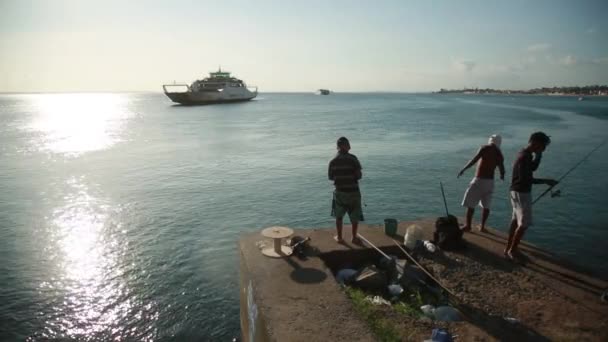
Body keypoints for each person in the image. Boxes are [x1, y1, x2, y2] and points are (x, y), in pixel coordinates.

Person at [504, 132, 558, 259]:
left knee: (515, 220)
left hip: (516, 191)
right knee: (524, 224)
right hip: (522, 193)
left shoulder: (526, 154)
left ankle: (508, 248)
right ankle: (513, 250)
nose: (543, 149)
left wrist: (538, 156)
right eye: (543, 146)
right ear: (535, 142)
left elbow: (532, 168)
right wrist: (546, 181)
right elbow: (526, 179)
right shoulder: (524, 156)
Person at [457, 134, 505, 232]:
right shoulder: (499, 154)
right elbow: (502, 169)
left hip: (479, 180)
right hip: (490, 182)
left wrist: (464, 169)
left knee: (470, 204)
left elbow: (474, 160)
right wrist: (502, 176)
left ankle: (468, 226)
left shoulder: (484, 148)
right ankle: (482, 227)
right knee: (486, 206)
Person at [328, 137, 364, 244]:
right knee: (354, 216)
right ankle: (354, 237)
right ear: (345, 146)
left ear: (337, 147)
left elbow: (330, 177)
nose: (350, 146)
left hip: (340, 192)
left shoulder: (333, 161)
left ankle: (339, 237)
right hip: (353, 192)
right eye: (348, 144)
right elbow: (359, 176)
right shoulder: (353, 159)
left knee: (339, 216)